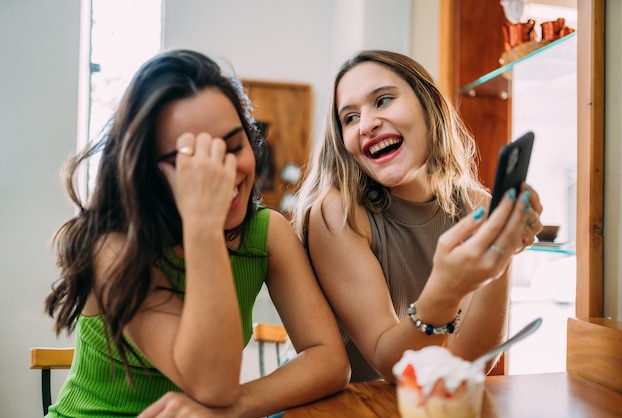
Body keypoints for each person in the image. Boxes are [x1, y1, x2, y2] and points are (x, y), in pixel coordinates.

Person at [44, 49, 349, 417]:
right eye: (192, 160)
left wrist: (241, 404)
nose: (221, 172)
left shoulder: (267, 234)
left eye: (233, 146)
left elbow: (330, 360)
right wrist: (203, 223)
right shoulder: (114, 248)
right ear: (147, 171)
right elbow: (212, 384)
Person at [289, 49, 544, 382]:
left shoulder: (476, 206)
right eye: (350, 117)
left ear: (429, 105)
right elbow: (393, 365)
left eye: (382, 101)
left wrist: (503, 250)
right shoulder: (338, 213)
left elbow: (464, 365)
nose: (366, 124)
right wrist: (448, 287)